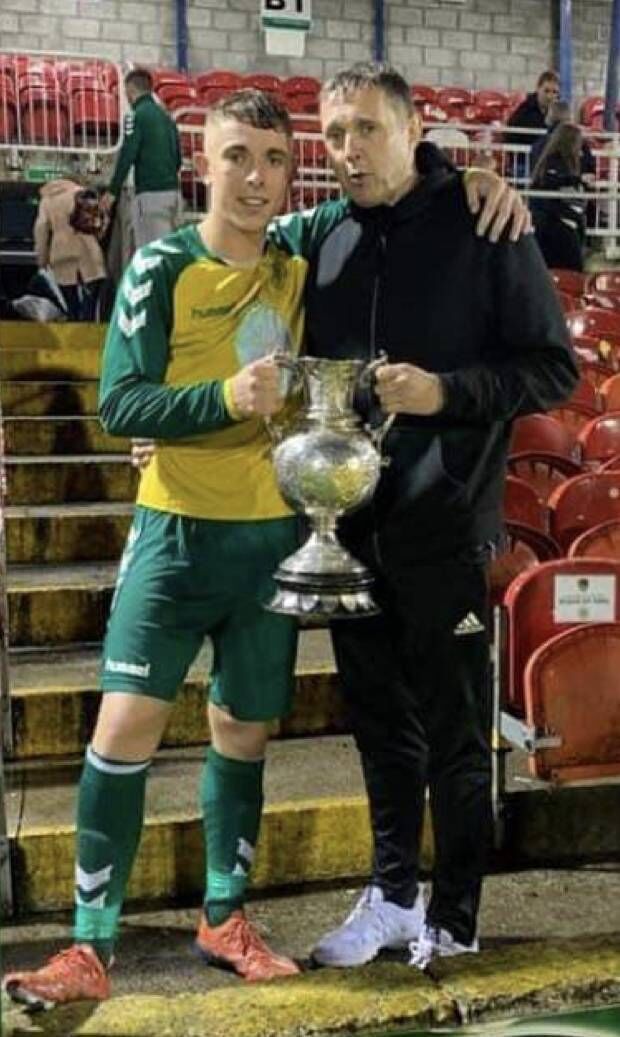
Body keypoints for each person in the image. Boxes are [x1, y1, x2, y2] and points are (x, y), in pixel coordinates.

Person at [2, 85, 532, 1010]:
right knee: (122, 731)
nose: (256, 177)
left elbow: (400, 182)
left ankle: (225, 916)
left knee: (242, 735)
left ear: (294, 174)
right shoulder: (161, 265)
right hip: (173, 538)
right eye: (237, 157)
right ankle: (89, 942)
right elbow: (120, 403)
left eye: (276, 159)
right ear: (201, 162)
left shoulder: (297, 251)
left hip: (272, 545)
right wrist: (222, 401)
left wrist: (479, 177)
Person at [267, 61, 577, 971]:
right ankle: (393, 895)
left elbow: (552, 369)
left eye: (367, 129)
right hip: (348, 531)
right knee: (378, 726)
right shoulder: (323, 239)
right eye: (334, 134)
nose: (348, 150)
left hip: (444, 529)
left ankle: (457, 915)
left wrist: (446, 392)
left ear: (412, 130)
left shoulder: (484, 223)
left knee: (454, 733)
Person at [102, 69, 182, 250]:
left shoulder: (135, 116)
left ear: (130, 90)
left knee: (150, 255)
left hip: (150, 196)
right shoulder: (167, 116)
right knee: (170, 253)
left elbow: (128, 154)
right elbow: (178, 157)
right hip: (174, 195)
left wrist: (113, 190)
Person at [33, 178, 107, 321]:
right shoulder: (81, 193)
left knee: (71, 305)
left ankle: (74, 326)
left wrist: (42, 259)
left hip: (61, 254)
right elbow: (99, 223)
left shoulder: (47, 200)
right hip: (88, 251)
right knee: (91, 304)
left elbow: (41, 229)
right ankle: (88, 328)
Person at [530, 122, 590, 271]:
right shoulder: (553, 162)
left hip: (558, 223)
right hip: (555, 225)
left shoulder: (552, 162)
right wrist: (576, 180)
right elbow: (552, 184)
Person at [505, 70, 560, 181]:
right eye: (546, 91)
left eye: (554, 92)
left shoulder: (558, 112)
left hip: (547, 164)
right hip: (524, 163)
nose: (550, 96)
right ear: (538, 89)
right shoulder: (524, 112)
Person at [530, 100, 596, 181]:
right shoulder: (580, 142)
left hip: (546, 184)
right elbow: (590, 168)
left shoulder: (541, 143)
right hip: (574, 184)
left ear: (549, 117)